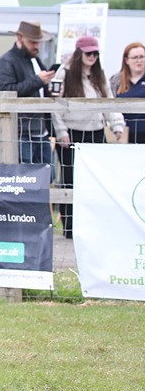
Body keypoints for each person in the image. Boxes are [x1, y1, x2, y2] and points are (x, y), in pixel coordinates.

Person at [52, 36, 124, 239]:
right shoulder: (64, 73)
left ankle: (94, 224)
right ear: (79, 53)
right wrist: (61, 132)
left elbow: (108, 100)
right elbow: (55, 105)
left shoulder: (99, 75)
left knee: (96, 179)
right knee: (70, 180)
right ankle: (70, 227)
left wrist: (116, 124)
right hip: (71, 132)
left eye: (95, 53)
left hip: (96, 130)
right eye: (88, 53)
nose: (92, 57)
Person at [0, 20, 57, 166]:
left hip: (40, 131)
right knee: (26, 177)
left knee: (45, 176)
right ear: (20, 38)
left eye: (38, 42)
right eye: (33, 42)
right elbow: (7, 92)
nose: (37, 46)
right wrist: (38, 81)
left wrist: (51, 91)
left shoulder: (35, 60)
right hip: (20, 132)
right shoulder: (6, 62)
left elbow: (38, 90)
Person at [113, 41, 145, 143]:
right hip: (123, 134)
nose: (139, 60)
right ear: (126, 60)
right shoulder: (116, 80)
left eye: (142, 57)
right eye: (135, 57)